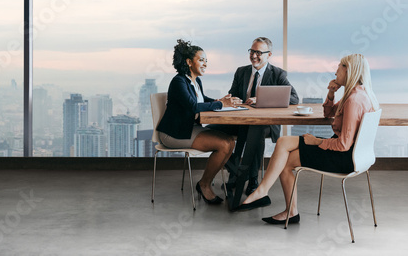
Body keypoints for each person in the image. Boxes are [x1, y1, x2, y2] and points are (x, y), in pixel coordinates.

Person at [239, 54, 380, 224]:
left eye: (339, 67)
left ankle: (286, 209)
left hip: (344, 157)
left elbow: (343, 144)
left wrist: (317, 141)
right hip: (354, 154)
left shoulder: (354, 100)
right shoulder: (358, 94)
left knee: (287, 162)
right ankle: (264, 191)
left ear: (349, 70)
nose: (335, 72)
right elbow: (328, 114)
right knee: (284, 142)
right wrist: (331, 92)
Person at [156, 39, 239, 204]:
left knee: (230, 141)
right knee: (223, 145)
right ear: (189, 62)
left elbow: (201, 99)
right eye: (201, 60)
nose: (205, 64)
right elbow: (193, 106)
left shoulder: (195, 81)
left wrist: (219, 100)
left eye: (206, 60)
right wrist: (221, 104)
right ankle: (204, 184)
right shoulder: (179, 81)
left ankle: (208, 181)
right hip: (173, 133)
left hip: (189, 129)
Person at [214, 37, 299, 197]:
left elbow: (294, 98)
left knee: (256, 131)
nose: (254, 56)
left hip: (265, 124)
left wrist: (261, 100)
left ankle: (251, 180)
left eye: (258, 52)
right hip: (241, 120)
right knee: (213, 129)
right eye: (252, 51)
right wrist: (233, 99)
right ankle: (236, 172)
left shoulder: (277, 74)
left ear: (269, 54)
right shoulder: (241, 71)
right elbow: (233, 94)